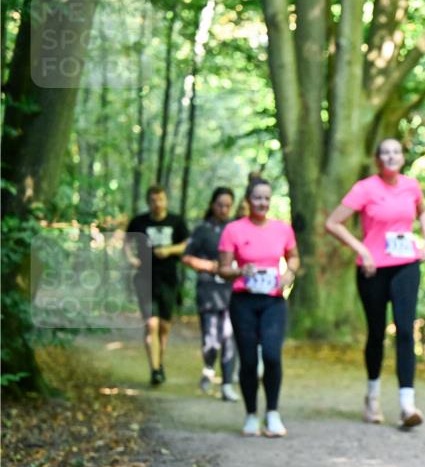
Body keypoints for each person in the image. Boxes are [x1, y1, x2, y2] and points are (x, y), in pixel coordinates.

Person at [324, 138, 425, 427]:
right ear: (378, 159)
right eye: (385, 152)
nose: (391, 157)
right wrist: (361, 250)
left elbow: (422, 212)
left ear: (402, 157)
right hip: (372, 269)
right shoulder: (365, 188)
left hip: (406, 265)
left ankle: (408, 406)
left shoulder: (412, 185)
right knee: (376, 333)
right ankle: (372, 398)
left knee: (406, 332)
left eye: (396, 152)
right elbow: (332, 223)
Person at [217, 177, 299, 437]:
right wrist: (241, 270)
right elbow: (223, 269)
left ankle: (273, 413)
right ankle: (251, 414)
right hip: (244, 301)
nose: (262, 202)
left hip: (273, 300)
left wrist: (290, 274)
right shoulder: (233, 230)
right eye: (257, 198)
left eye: (266, 198)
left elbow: (294, 257)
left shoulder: (282, 229)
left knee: (273, 355)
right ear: (248, 201)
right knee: (249, 360)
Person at [126, 184, 190, 386]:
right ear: (149, 201)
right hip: (145, 278)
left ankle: (159, 362)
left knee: (163, 326)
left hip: (169, 279)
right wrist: (131, 259)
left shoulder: (176, 221)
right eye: (153, 200)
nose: (157, 204)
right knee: (150, 324)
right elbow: (126, 242)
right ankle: (154, 369)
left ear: (166, 200)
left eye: (161, 199)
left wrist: (170, 250)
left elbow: (187, 243)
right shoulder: (139, 222)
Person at [181, 186, 239, 402]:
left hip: (231, 292)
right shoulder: (202, 230)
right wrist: (209, 266)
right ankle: (208, 368)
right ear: (212, 205)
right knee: (211, 339)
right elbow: (186, 257)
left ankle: (226, 384)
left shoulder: (235, 229)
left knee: (229, 337)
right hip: (207, 290)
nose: (224, 209)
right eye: (220, 205)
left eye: (227, 205)